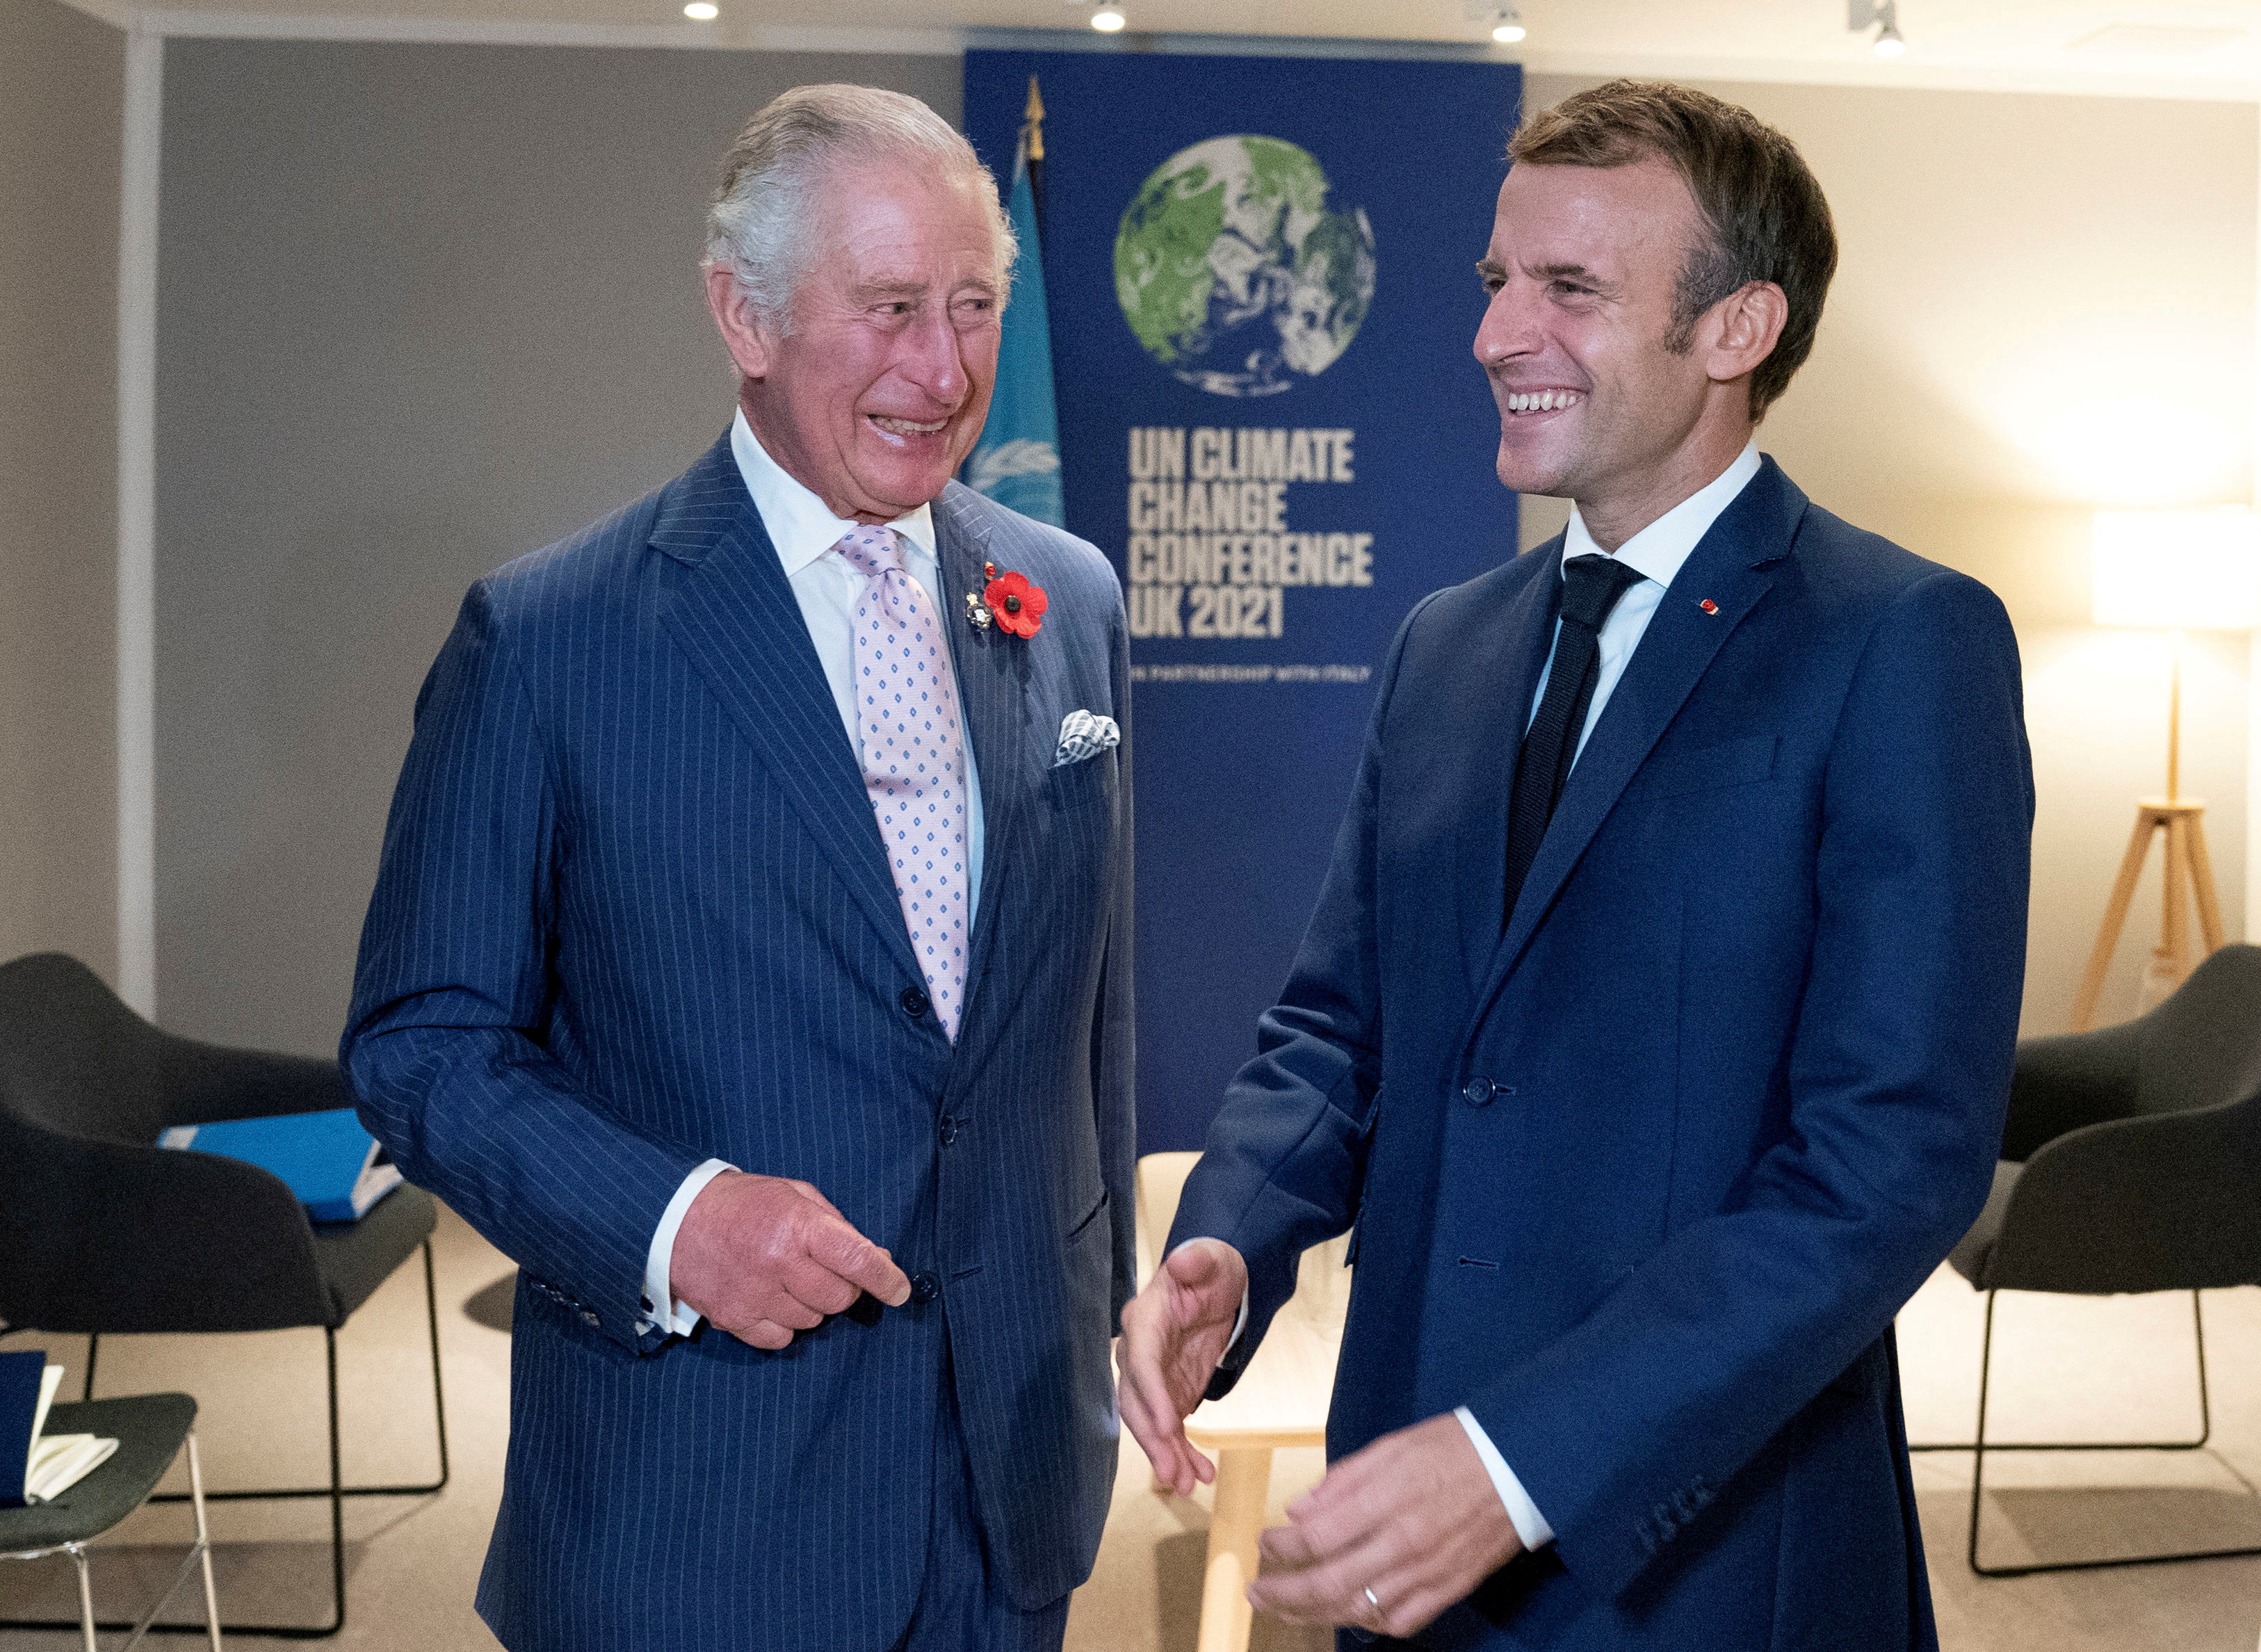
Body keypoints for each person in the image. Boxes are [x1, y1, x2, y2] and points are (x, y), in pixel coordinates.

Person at [1117, 79, 2032, 1651]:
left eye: (1569, 289)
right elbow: (1341, 1027)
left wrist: (1521, 1461)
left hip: (1707, 1546)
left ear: (1736, 328)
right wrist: (1232, 1237)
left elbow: (1887, 1167)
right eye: (1495, 282)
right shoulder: (1444, 645)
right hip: (1404, 1509)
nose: (1492, 334)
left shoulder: (1899, 643)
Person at [344, 83, 1132, 1652]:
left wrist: (1098, 1308)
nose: (947, 367)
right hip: (702, 1508)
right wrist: (673, 1221)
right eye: (891, 307)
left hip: (1010, 1490)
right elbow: (419, 1048)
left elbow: (1086, 1012)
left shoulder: (1069, 594)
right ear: (742, 313)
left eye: (976, 304)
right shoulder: (549, 640)